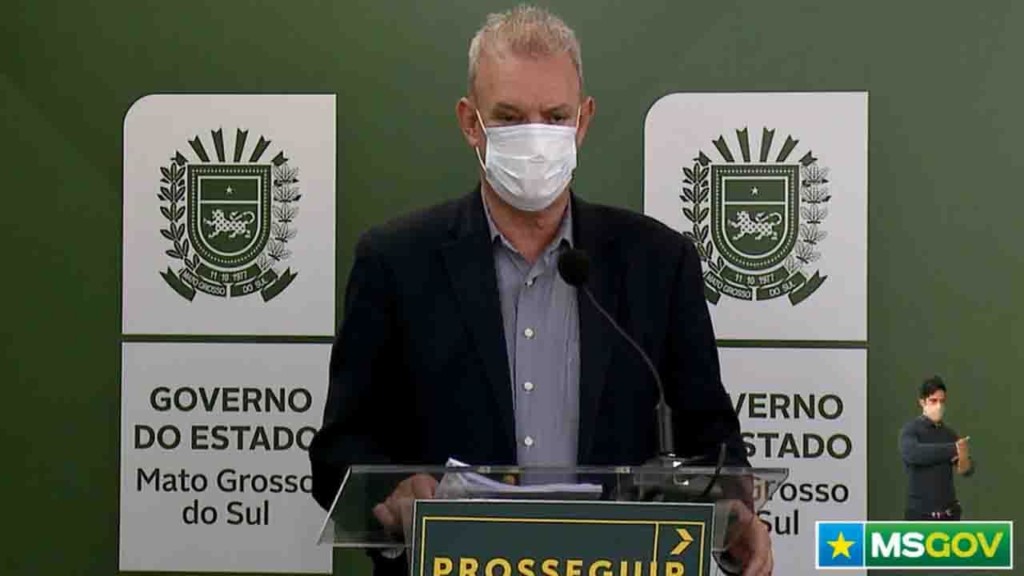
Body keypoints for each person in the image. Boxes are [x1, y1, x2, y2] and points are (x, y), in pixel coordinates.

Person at [310, 5, 771, 575]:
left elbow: (712, 440)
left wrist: (735, 514)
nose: (536, 138)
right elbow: (338, 453)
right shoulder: (395, 262)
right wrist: (397, 493)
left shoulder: (658, 262)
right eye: (509, 117)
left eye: (555, 117)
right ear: (470, 122)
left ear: (583, 121)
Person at [898, 376, 974, 520]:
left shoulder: (949, 434)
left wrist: (963, 455)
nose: (938, 406)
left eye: (942, 401)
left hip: (949, 515)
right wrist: (953, 449)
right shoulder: (910, 430)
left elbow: (966, 470)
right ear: (922, 402)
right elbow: (913, 454)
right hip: (919, 516)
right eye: (933, 401)